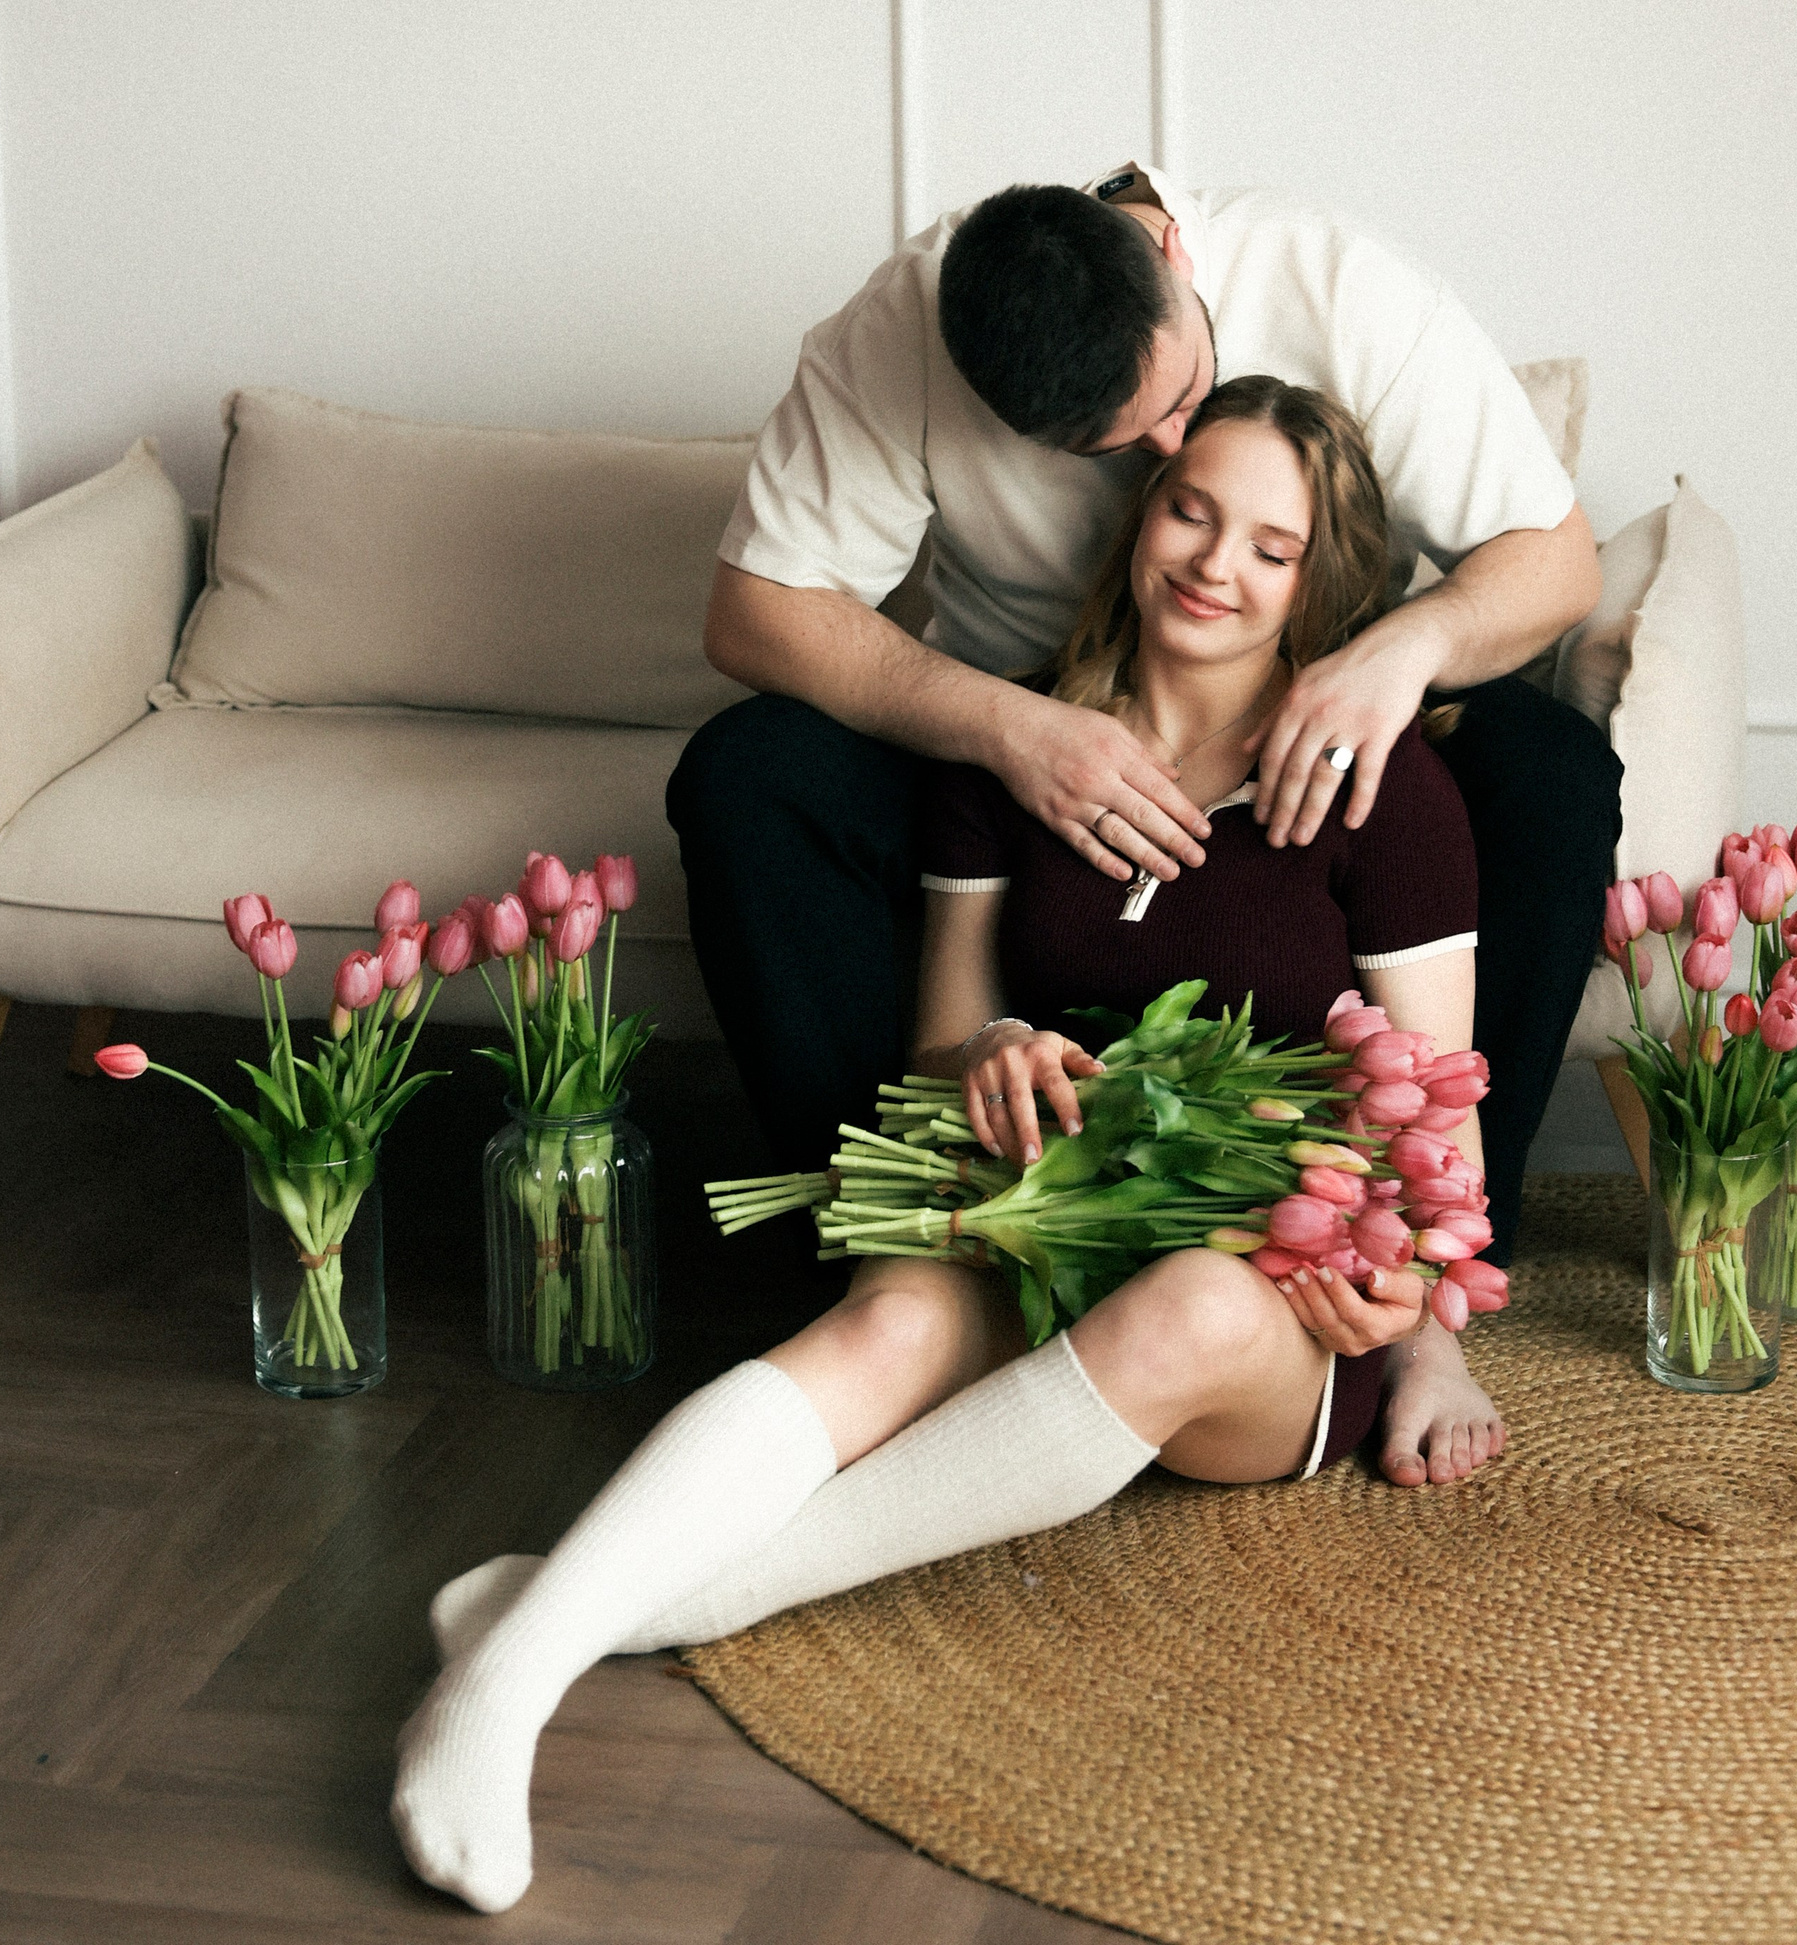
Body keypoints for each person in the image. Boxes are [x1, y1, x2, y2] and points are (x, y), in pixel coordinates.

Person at [392, 382, 1499, 1919]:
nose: (1214, 564)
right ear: (1143, 514)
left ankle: (572, 1627)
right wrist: (991, 1053)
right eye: (1192, 511)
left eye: (1272, 545)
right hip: (1033, 1200)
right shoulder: (1016, 750)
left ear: (1320, 582)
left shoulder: (1381, 786)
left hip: (1262, 1286)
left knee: (1185, 1305)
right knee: (886, 1326)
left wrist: (1430, 1330)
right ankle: (503, 1683)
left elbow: (1435, 1114)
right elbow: (941, 1038)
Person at [671, 165, 1619, 1316]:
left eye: (1186, 395)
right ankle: (900, 1249)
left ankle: (1431, 1276)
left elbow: (1558, 561)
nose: (1175, 447)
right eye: (1121, 451)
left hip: (1320, 716)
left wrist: (1395, 655)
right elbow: (753, 611)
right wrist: (1011, 726)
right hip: (1014, 734)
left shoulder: (1345, 289)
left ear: (1172, 252)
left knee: (1553, 774)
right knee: (746, 775)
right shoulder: (893, 336)